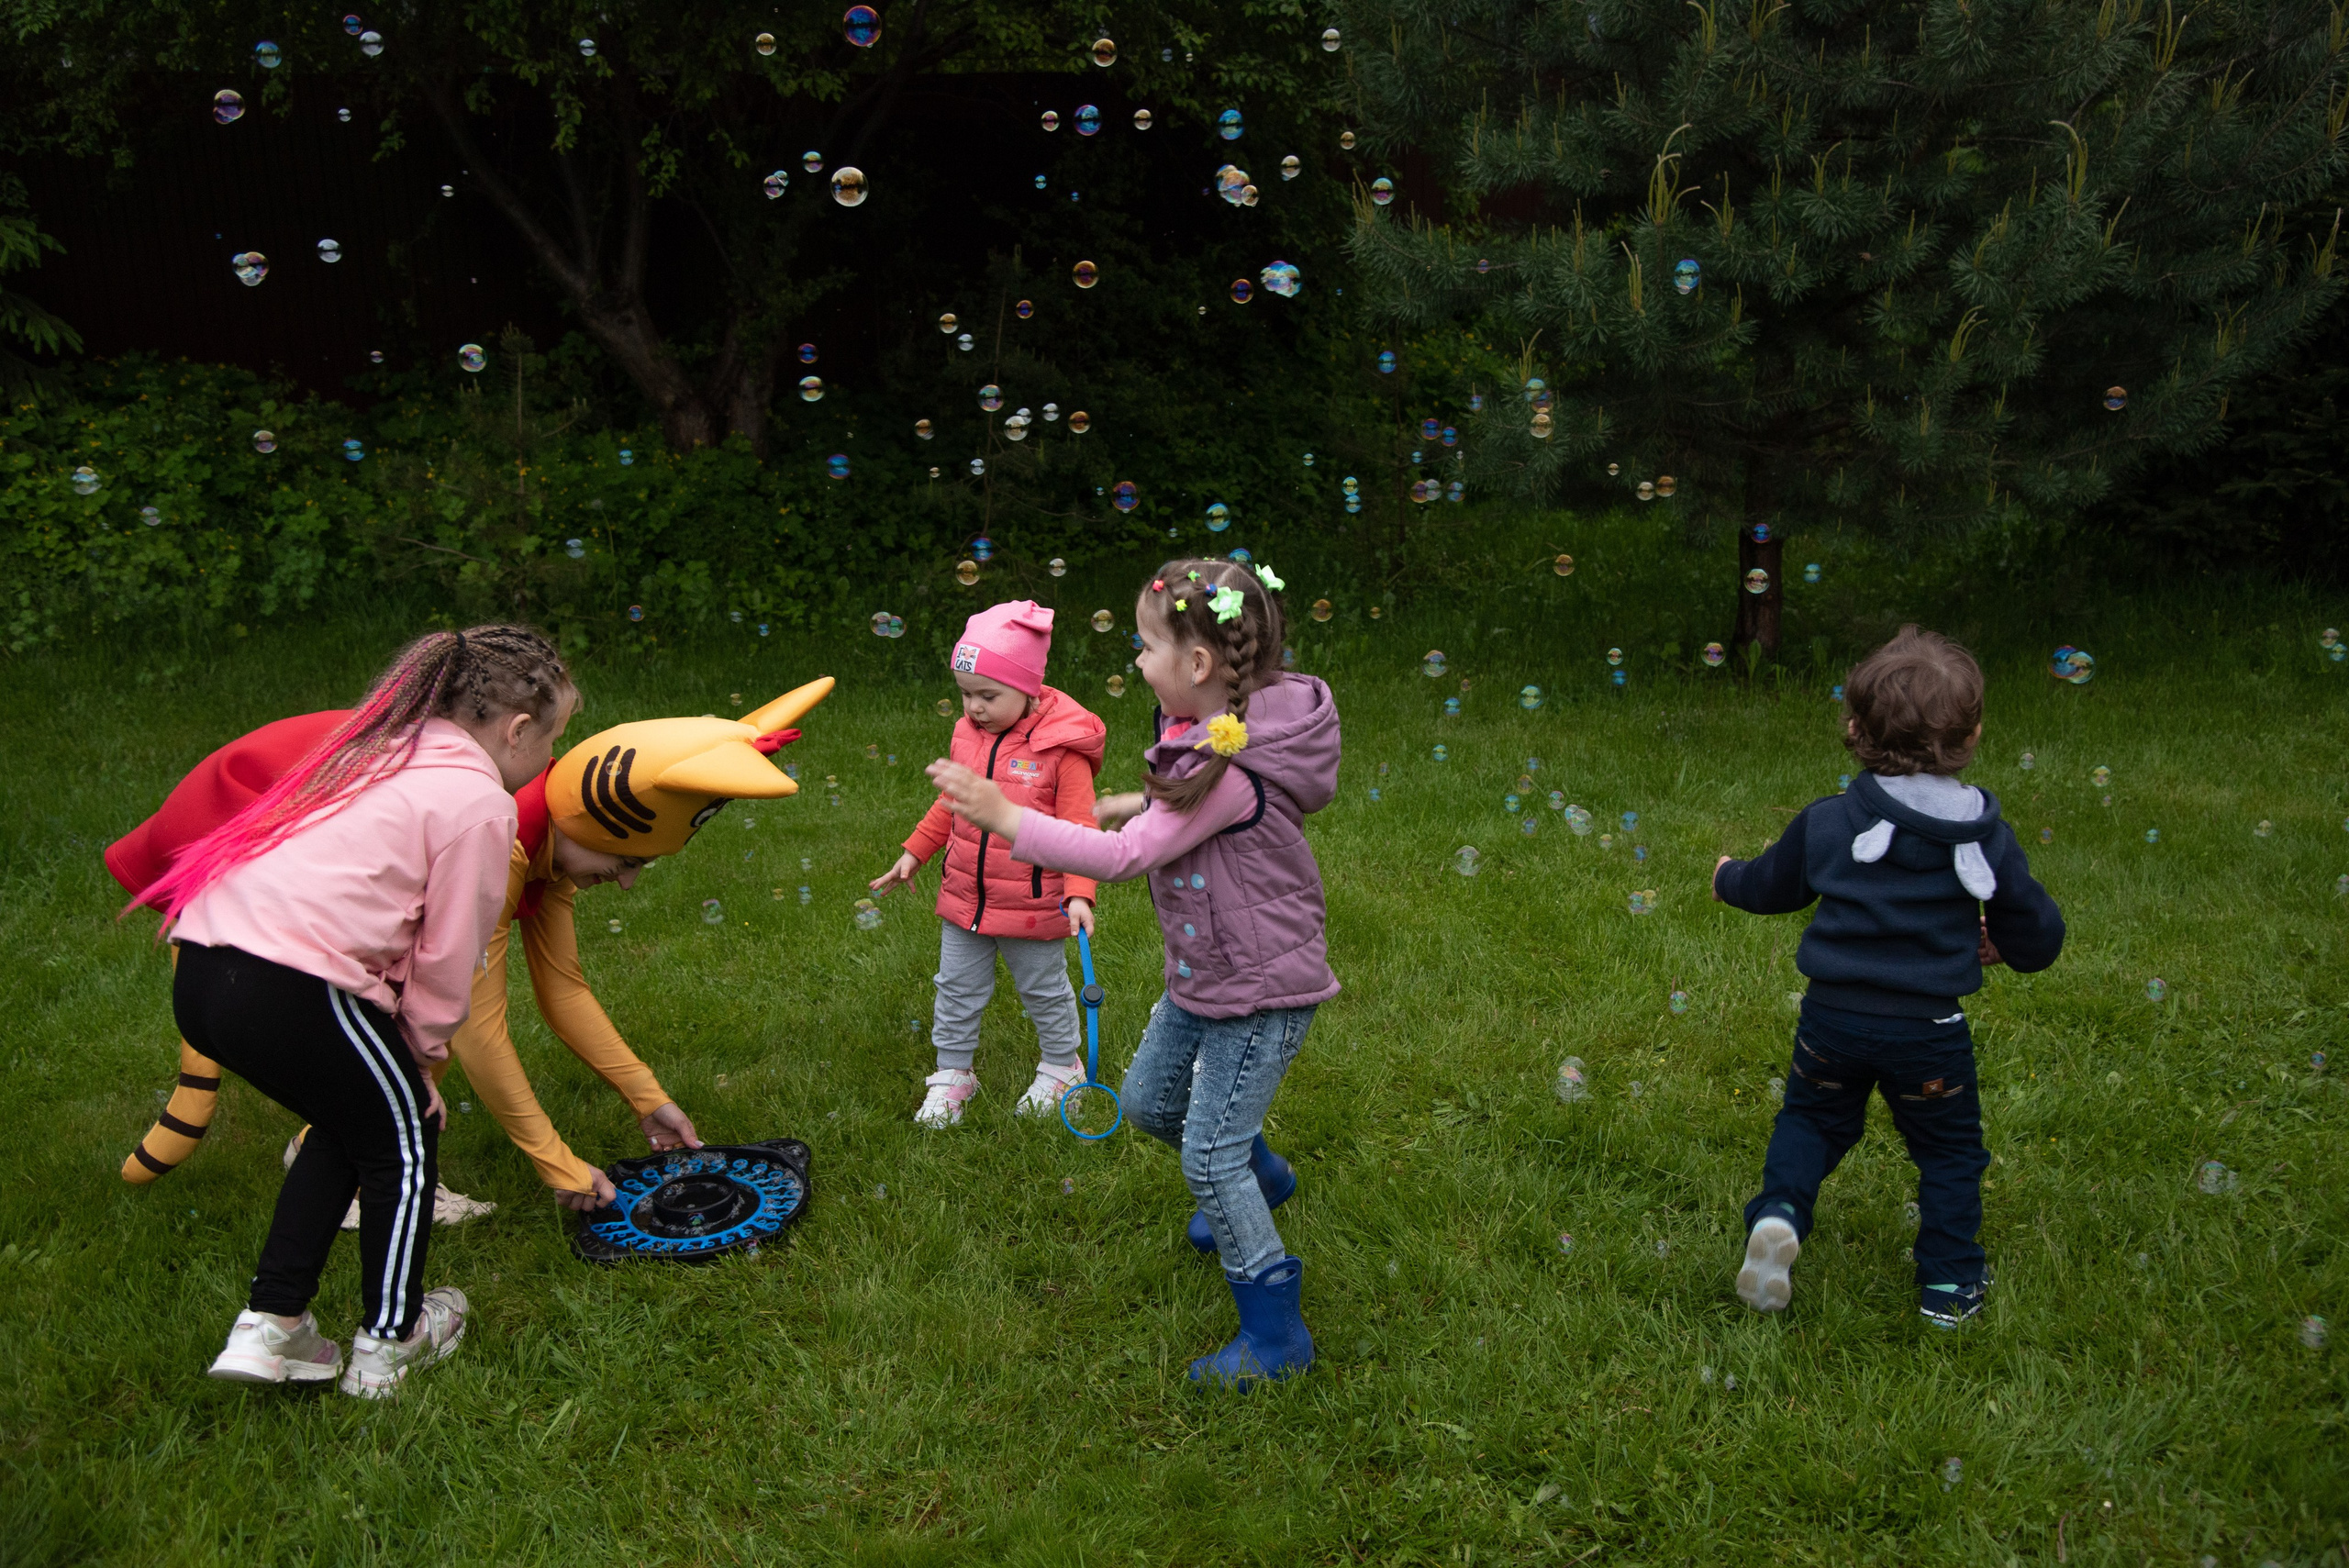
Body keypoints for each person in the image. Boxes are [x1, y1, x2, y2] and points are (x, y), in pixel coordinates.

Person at [116, 678, 834, 1217]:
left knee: (404, 1023)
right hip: (253, 870)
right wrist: (555, 1161)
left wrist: (648, 1099)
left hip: (277, 913)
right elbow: (475, 1026)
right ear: (593, 820)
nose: (628, 883)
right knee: (418, 1020)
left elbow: (565, 989)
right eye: (624, 861)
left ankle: (338, 1146)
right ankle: (363, 1174)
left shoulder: (549, 832)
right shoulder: (498, 840)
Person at [927, 561, 1340, 1387]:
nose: (1139, 663)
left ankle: (1275, 1334)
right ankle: (1261, 1175)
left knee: (1205, 1156)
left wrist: (1011, 818)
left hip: (1259, 990)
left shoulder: (1231, 759)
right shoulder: (1217, 727)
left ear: (1196, 667)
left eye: (1147, 648)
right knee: (1151, 1103)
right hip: (1208, 972)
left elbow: (1122, 860)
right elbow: (1171, 804)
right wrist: (1134, 802)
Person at [145, 625, 573, 1397]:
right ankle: (392, 1339)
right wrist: (421, 1054)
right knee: (406, 1134)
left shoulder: (370, 750)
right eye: (554, 738)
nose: (549, 759)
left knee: (355, 1121)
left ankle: (273, 1328)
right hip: (293, 982)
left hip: (205, 970)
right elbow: (449, 955)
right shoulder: (477, 798)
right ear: (516, 730)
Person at [1712, 625, 2065, 1329]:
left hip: (1832, 1021)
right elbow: (2039, 932)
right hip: (1929, 1035)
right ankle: (1950, 1287)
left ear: (1854, 729)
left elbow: (1772, 886)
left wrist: (1728, 878)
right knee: (1949, 1151)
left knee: (1811, 1118)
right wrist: (2005, 944)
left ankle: (1780, 1212)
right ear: (1972, 737)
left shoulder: (1830, 821)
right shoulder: (1982, 835)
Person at [869, 601, 1107, 1128]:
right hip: (964, 899)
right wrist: (915, 852)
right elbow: (950, 804)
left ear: (1028, 688)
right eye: (965, 694)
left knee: (1044, 991)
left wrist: (1080, 891)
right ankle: (954, 1074)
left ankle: (1061, 1067)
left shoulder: (1061, 752)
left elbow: (1080, 828)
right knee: (954, 989)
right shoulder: (967, 736)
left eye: (988, 695)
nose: (973, 707)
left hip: (1032, 905)